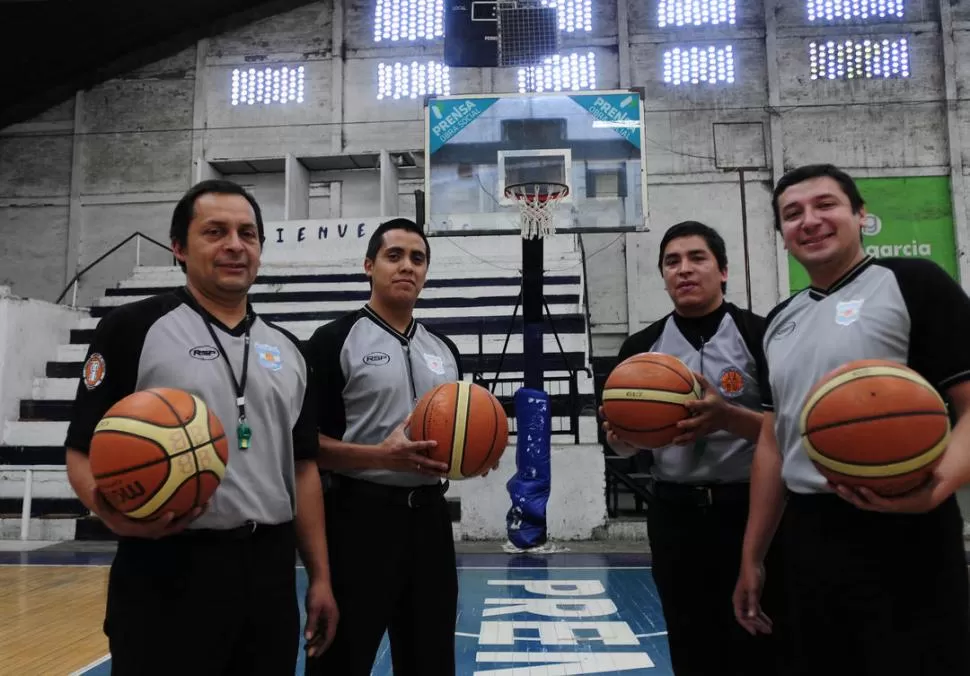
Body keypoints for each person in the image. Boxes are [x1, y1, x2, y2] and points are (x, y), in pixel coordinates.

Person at [63, 179, 338, 675]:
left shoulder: (290, 350)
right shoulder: (132, 328)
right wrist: (113, 515)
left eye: (248, 234)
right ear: (178, 248)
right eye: (215, 232)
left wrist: (319, 577)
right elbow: (82, 448)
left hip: (269, 570)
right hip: (166, 564)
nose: (235, 245)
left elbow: (302, 470)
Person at [734, 163, 970, 675]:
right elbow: (774, 443)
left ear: (862, 215)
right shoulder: (779, 321)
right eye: (792, 214)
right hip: (810, 531)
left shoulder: (913, 283)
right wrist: (753, 555)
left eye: (826, 205)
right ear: (782, 236)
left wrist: (933, 492)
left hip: (906, 526)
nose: (810, 220)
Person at [600, 221, 787, 676]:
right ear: (663, 276)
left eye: (697, 258)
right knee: (689, 643)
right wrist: (624, 439)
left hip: (751, 510)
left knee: (762, 642)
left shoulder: (762, 335)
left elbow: (790, 432)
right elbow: (622, 448)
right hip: (675, 516)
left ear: (723, 271)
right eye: (672, 261)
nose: (684, 269)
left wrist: (727, 416)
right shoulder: (641, 351)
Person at [303, 217, 463, 676]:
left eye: (418, 258)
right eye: (394, 256)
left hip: (430, 520)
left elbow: (459, 435)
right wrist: (380, 457)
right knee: (340, 661)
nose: (406, 266)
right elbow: (305, 446)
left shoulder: (445, 349)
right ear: (369, 265)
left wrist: (474, 456)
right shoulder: (333, 341)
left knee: (430, 659)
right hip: (358, 519)